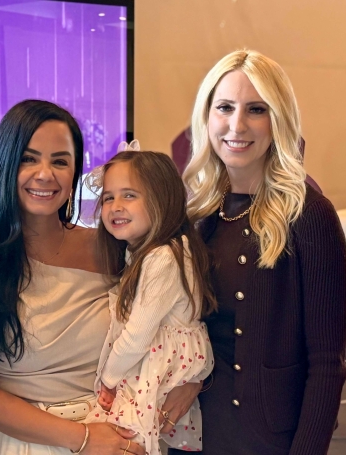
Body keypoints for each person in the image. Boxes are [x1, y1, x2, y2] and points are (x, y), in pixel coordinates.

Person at [0, 99, 202, 454]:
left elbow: (173, 317)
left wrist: (193, 379)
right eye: (28, 158)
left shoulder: (111, 248)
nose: (45, 173)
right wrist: (85, 439)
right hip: (35, 444)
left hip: (123, 435)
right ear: (4, 162)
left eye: (60, 161)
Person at [173, 49, 346, 454]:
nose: (237, 125)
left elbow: (327, 365)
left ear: (279, 119)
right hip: (188, 433)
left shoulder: (309, 214)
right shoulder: (192, 211)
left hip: (266, 438)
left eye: (256, 109)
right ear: (206, 116)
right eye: (225, 107)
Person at [82, 150, 215, 455]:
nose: (115, 207)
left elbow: (136, 336)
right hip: (163, 364)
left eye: (129, 195)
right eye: (108, 198)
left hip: (155, 366)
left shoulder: (162, 258)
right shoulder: (151, 252)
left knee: (121, 437)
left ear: (162, 199)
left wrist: (109, 380)